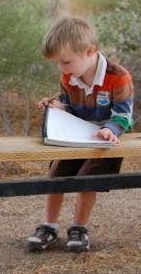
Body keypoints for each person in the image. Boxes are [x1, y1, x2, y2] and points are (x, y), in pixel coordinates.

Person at [27, 15, 134, 253]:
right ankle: (49, 226)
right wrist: (57, 109)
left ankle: (79, 228)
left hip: (104, 139)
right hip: (75, 137)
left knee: (87, 181)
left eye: (65, 62)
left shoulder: (118, 77)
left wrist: (109, 128)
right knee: (56, 177)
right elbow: (70, 108)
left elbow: (124, 116)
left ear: (89, 51)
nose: (61, 69)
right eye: (58, 64)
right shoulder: (69, 77)